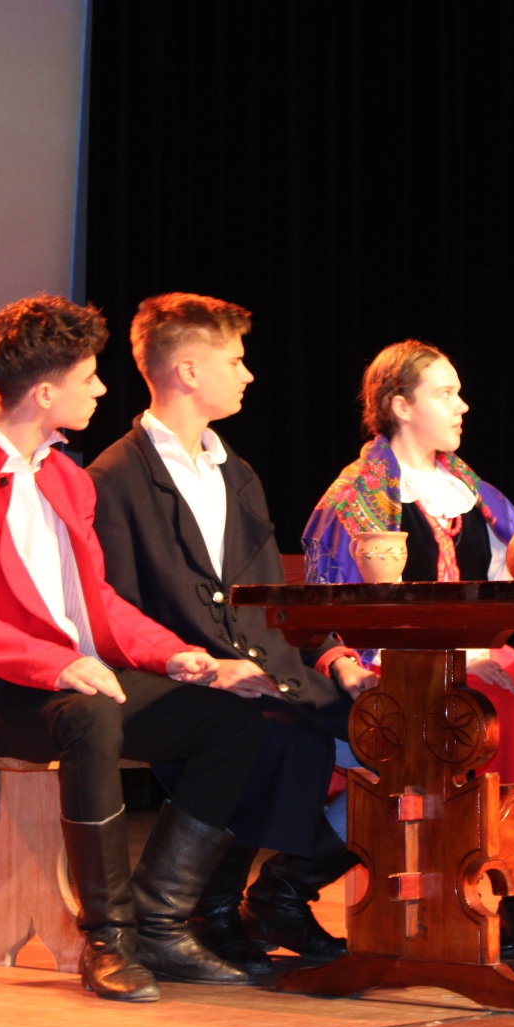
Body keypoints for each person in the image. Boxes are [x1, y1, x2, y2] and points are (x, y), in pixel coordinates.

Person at [0, 294, 265, 1003]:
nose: (100, 389)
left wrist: (176, 656)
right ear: (44, 392)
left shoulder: (65, 475)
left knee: (230, 719)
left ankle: (160, 919)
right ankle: (108, 939)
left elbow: (97, 602)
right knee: (89, 715)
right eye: (89, 377)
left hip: (66, 682)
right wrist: (56, 663)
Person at [89, 293, 376, 975]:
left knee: (396, 727)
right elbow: (116, 608)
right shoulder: (116, 477)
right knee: (267, 731)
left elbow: (270, 596)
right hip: (175, 675)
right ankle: (205, 911)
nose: (248, 374)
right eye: (236, 360)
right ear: (189, 370)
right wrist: (207, 667)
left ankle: (277, 892)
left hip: (263, 666)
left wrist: (332, 654)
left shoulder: (235, 473)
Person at [302, 340, 514, 956]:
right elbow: (330, 604)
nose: (462, 406)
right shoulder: (358, 493)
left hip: (471, 652)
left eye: (458, 392)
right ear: (401, 406)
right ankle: (465, 886)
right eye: (445, 394)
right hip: (391, 662)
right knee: (491, 711)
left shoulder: (465, 486)